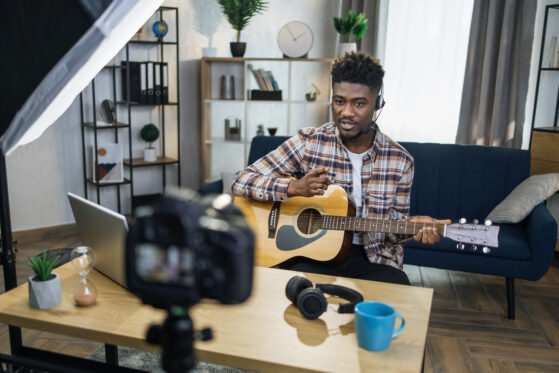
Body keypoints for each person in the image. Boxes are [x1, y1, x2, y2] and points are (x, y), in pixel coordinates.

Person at [231, 51, 449, 285]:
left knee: (397, 295)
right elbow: (241, 181)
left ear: (378, 104)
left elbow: (392, 235)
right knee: (296, 291)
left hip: (372, 261)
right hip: (313, 256)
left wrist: (411, 229)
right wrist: (293, 187)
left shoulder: (400, 161)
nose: (346, 112)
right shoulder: (309, 142)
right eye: (339, 101)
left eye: (359, 103)